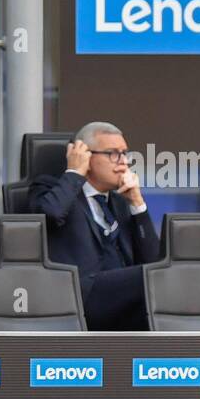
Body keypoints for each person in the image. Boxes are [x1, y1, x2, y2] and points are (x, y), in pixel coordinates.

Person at [27, 121, 159, 330]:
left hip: (120, 301)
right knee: (154, 276)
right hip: (76, 296)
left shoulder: (119, 201)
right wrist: (74, 173)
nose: (123, 162)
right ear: (86, 155)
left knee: (163, 273)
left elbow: (153, 260)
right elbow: (50, 215)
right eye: (113, 154)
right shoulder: (50, 189)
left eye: (125, 153)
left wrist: (137, 204)